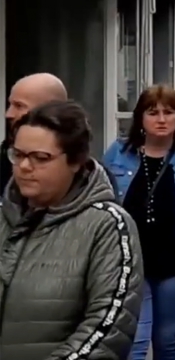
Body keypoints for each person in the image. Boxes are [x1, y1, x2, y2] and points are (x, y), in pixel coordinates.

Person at [0, 101, 144, 360]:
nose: (23, 167)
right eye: (18, 155)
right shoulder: (3, 215)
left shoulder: (108, 226)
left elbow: (108, 328)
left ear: (76, 161)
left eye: (40, 158)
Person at [103, 85, 175, 360]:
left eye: (169, 112)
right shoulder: (118, 154)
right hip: (129, 266)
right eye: (153, 112)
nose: (161, 119)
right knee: (135, 344)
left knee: (168, 342)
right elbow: (101, 206)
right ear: (140, 118)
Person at [2, 73, 71, 191]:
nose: (8, 114)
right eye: (18, 155)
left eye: (19, 106)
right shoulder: (4, 161)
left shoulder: (90, 179)